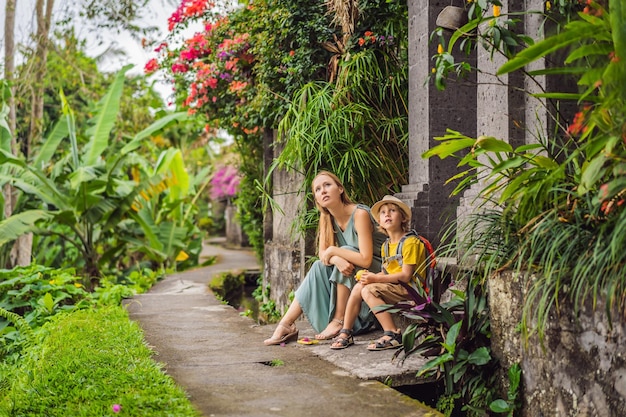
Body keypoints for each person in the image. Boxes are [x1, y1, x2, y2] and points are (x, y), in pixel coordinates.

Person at [263, 171, 387, 345]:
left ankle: (339, 319)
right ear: (317, 199)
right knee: (318, 266)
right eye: (318, 189)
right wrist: (335, 257)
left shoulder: (360, 214)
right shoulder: (326, 217)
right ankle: (286, 324)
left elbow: (366, 259)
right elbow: (323, 255)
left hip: (378, 274)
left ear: (340, 189)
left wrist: (334, 251)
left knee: (344, 251)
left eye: (328, 185)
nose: (323, 191)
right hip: (355, 273)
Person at [329, 195, 426, 350]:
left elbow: (406, 276)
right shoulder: (386, 245)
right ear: (379, 222)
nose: (387, 214)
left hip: (411, 289)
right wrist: (370, 277)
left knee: (368, 291)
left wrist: (375, 279)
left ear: (403, 218)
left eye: (392, 210)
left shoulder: (410, 243)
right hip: (396, 287)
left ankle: (392, 333)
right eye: (383, 212)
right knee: (360, 286)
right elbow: (386, 272)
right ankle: (346, 332)